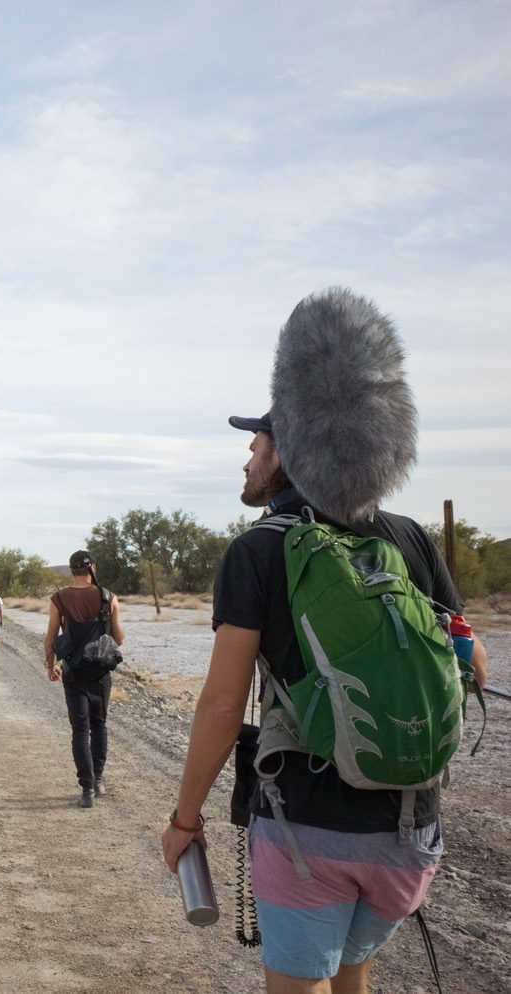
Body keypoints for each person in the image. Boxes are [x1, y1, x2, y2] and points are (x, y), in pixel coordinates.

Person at [160, 289, 490, 994]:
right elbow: (473, 661)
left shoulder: (257, 551)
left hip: (304, 825)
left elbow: (221, 705)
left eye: (255, 442)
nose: (247, 455)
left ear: (286, 451)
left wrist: (185, 818)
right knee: (353, 973)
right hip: (409, 831)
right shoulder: (407, 537)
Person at [43, 550, 124, 808]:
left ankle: (87, 790)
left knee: (80, 729)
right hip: (100, 673)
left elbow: (51, 637)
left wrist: (50, 665)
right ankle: (98, 780)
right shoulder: (108, 597)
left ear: (71, 571)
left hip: (74, 672)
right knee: (99, 725)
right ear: (93, 569)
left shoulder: (59, 599)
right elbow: (119, 639)